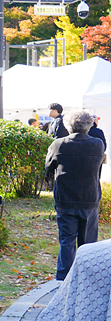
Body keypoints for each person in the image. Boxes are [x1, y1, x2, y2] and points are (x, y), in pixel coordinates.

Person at [45, 110, 104, 281]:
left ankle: (63, 280)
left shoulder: (59, 144)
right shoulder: (97, 144)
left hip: (66, 198)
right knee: (88, 245)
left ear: (67, 125)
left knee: (67, 242)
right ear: (89, 125)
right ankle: (87, 280)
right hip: (89, 197)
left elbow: (48, 167)